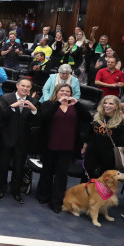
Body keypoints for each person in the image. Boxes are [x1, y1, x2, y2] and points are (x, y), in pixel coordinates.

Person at [36, 83, 92, 213]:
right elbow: (44, 118)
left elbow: (88, 118)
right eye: (62, 91)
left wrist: (77, 104)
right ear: (56, 92)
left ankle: (56, 201)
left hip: (68, 146)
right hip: (50, 144)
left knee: (62, 175)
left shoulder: (76, 107)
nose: (65, 93)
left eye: (67, 91)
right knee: (47, 172)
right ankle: (43, 196)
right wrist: (57, 103)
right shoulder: (49, 104)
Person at [0, 77, 39, 202]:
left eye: (28, 87)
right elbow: (0, 117)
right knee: (2, 166)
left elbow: (37, 122)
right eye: (23, 86)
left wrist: (34, 111)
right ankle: (0, 189)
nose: (25, 88)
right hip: (6, 138)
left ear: (30, 89)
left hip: (23, 141)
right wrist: (12, 107)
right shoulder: (6, 98)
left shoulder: (33, 102)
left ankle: (16, 191)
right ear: (17, 86)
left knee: (19, 167)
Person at [82, 96, 124, 179]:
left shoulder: (121, 119)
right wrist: (84, 147)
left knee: (105, 179)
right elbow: (88, 133)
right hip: (92, 151)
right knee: (87, 177)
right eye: (105, 103)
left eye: (111, 103)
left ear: (117, 106)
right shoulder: (96, 116)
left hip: (109, 154)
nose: (107, 105)